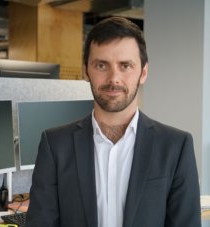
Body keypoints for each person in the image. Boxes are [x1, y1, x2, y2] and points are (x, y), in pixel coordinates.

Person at [26, 16, 201, 227]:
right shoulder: (55, 145)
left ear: (143, 73)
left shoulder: (175, 146)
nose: (114, 78)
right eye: (101, 65)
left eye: (125, 66)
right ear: (85, 71)